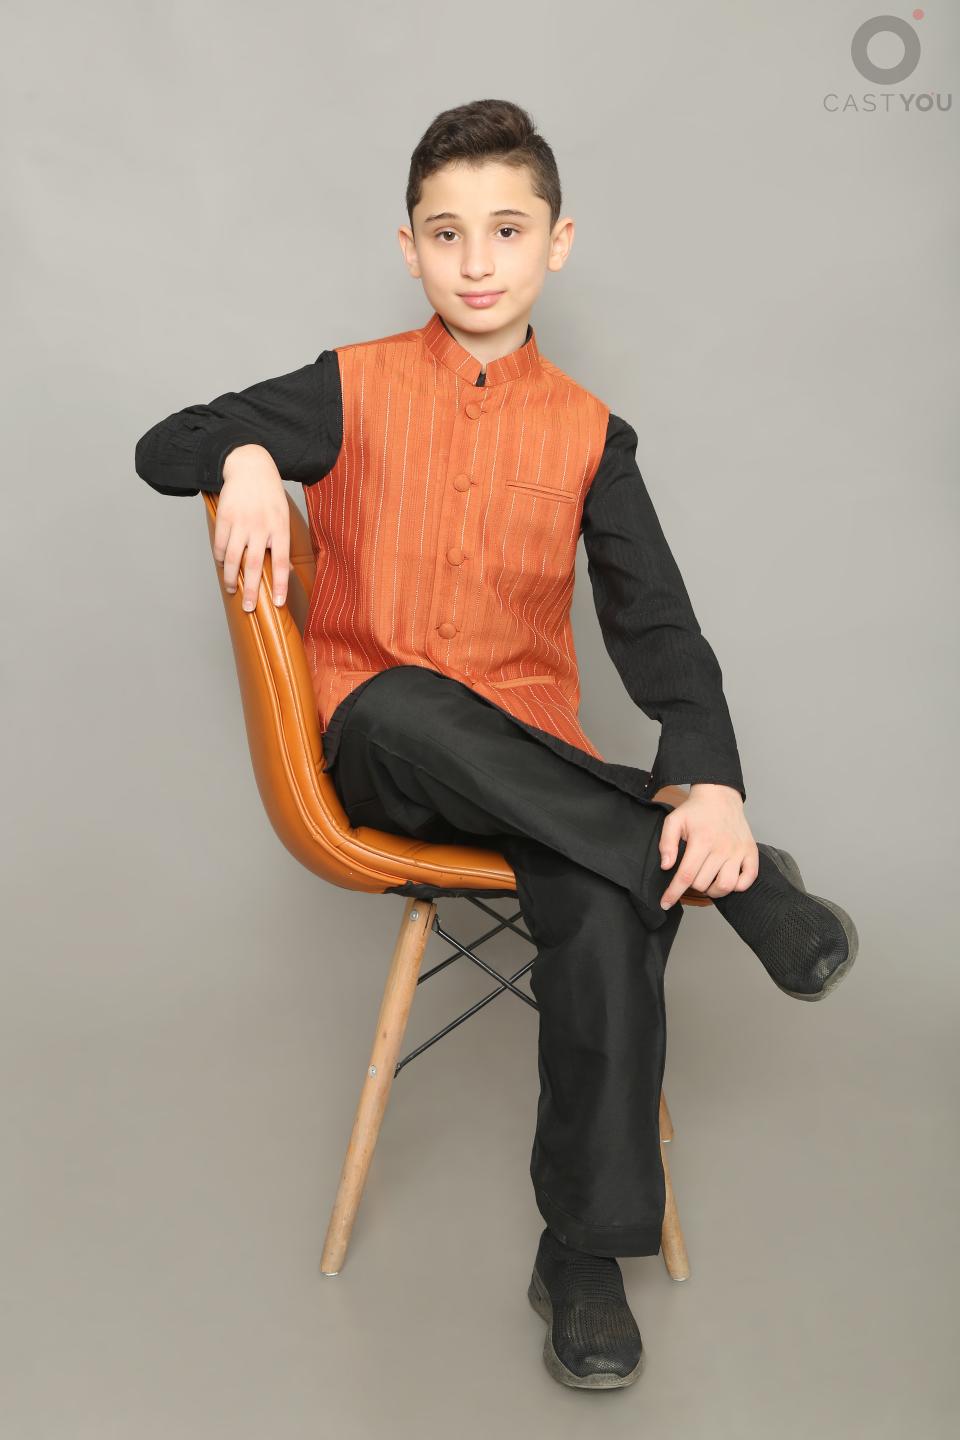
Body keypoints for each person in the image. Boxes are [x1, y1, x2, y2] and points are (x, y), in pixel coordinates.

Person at [134, 98, 859, 1391]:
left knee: (605, 895)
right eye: (447, 233)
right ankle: (719, 876)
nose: (477, 261)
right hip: (384, 752)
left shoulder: (590, 434)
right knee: (406, 699)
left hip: (538, 781)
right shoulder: (351, 384)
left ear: (557, 243)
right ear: (407, 247)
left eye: (508, 230)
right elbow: (161, 444)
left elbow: (659, 627)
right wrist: (242, 453)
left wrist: (712, 779)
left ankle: (579, 1258)